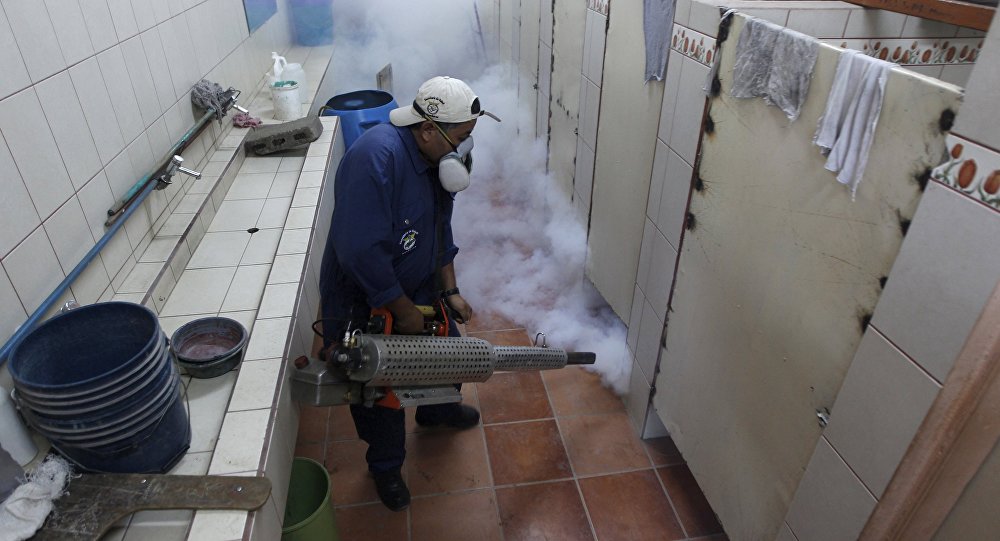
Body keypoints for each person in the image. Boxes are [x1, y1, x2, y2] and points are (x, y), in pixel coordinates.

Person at [318, 76, 499, 511]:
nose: (464, 150)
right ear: (426, 129)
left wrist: (449, 289)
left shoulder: (436, 159)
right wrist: (401, 309)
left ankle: (436, 411)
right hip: (365, 300)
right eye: (461, 138)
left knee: (453, 356)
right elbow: (358, 251)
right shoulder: (375, 159)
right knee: (379, 395)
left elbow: (439, 227)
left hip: (415, 288)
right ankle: (385, 468)